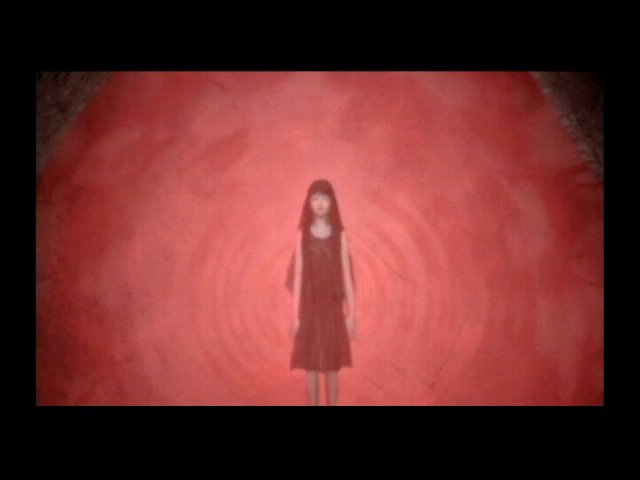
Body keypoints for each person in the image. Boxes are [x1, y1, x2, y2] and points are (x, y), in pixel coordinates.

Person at [287, 179, 356, 406]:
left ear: (331, 202)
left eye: (324, 198)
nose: (320, 203)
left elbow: (347, 277)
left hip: (333, 309)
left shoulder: (340, 235)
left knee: (332, 366)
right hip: (309, 308)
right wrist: (295, 317)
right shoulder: (303, 235)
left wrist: (352, 314)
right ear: (309, 202)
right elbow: (298, 277)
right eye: (315, 198)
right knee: (311, 365)